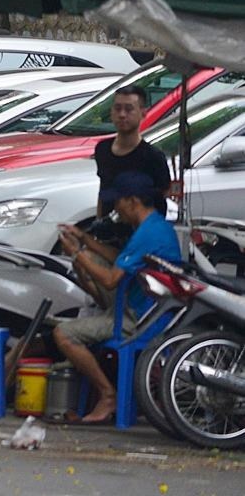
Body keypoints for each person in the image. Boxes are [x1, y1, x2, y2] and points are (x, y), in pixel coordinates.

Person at [53, 169, 183, 424]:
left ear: (132, 201)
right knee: (90, 259)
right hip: (142, 306)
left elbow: (111, 279)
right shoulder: (153, 226)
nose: (116, 208)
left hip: (141, 319)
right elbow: (120, 261)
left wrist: (76, 254)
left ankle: (107, 394)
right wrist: (85, 241)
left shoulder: (148, 234)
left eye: (118, 202)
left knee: (63, 334)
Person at [92, 83, 171, 219]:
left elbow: (164, 194)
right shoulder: (102, 149)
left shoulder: (153, 157)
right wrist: (99, 220)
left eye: (129, 109)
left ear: (143, 113)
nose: (122, 115)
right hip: (108, 231)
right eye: (117, 109)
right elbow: (103, 189)